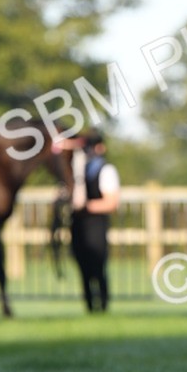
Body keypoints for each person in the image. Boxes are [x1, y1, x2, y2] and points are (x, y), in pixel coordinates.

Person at [69, 131, 121, 312]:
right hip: (78, 224)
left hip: (96, 224)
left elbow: (111, 202)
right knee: (82, 265)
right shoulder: (76, 171)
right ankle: (89, 305)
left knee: (97, 264)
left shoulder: (106, 170)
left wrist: (86, 206)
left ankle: (103, 304)